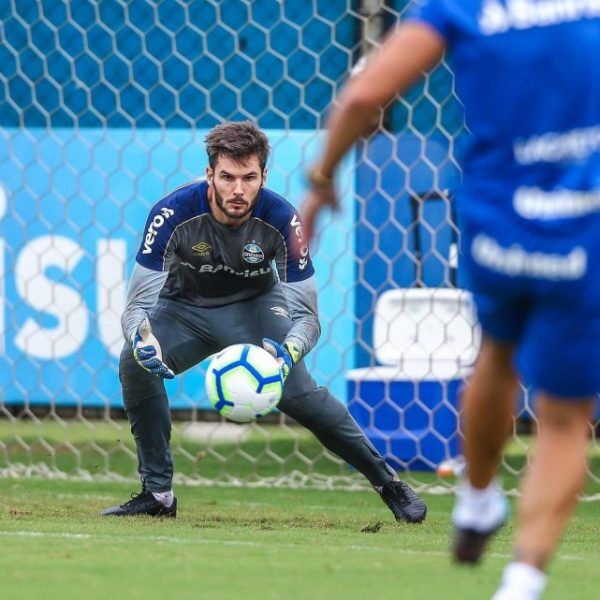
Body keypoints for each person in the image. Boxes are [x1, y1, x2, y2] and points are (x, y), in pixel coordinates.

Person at [300, 3, 599, 599]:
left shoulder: (459, 4)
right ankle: (523, 579)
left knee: (496, 354)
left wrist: (322, 178)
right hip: (582, 229)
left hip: (496, 226)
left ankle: (479, 496)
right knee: (565, 419)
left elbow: (364, 98)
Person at [101, 121, 427, 524]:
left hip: (254, 308)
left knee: (302, 398)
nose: (238, 189)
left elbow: (307, 317)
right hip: (183, 309)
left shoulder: (283, 221)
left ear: (263, 177)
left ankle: (388, 483)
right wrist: (140, 338)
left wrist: (288, 353)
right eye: (228, 177)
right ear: (209, 175)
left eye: (249, 178)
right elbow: (136, 307)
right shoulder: (171, 214)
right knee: (134, 364)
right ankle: (158, 494)